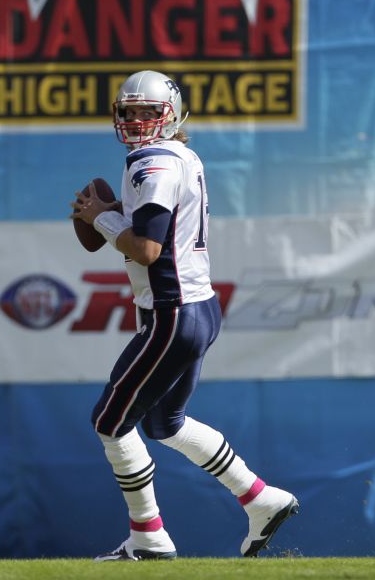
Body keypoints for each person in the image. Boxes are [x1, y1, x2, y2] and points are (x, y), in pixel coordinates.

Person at [70, 70, 299, 561]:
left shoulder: (152, 162)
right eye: (129, 112)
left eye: (148, 112)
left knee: (110, 423)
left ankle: (149, 537)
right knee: (163, 423)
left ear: (171, 114)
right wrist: (112, 217)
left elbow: (148, 249)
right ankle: (261, 499)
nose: (136, 121)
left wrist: (101, 218)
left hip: (172, 313)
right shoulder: (181, 155)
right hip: (198, 307)